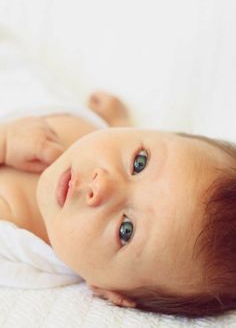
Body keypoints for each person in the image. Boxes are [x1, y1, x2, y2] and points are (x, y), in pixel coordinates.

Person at [0, 91, 235, 318]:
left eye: (126, 231)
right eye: (140, 162)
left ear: (111, 292)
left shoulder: (19, 233)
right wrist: (118, 120)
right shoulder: (100, 139)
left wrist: (5, 143)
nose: (101, 185)